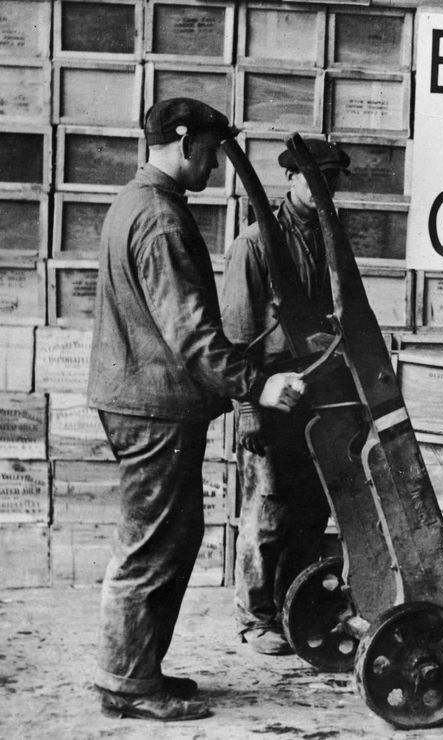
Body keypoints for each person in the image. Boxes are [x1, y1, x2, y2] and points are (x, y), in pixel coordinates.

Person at [88, 97, 307, 721]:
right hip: (152, 408)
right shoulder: (159, 220)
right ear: (185, 145)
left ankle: (130, 671)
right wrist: (255, 386)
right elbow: (189, 333)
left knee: (164, 537)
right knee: (154, 545)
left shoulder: (134, 202)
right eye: (211, 152)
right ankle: (130, 684)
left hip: (138, 400)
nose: (213, 164)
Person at [220, 140, 350, 655]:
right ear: (291, 179)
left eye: (333, 181)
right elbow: (233, 337)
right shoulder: (254, 244)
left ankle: (292, 608)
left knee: (312, 507)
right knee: (268, 510)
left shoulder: (331, 237)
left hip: (319, 391)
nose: (326, 190)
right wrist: (247, 408)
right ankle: (255, 619)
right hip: (269, 392)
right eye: (317, 179)